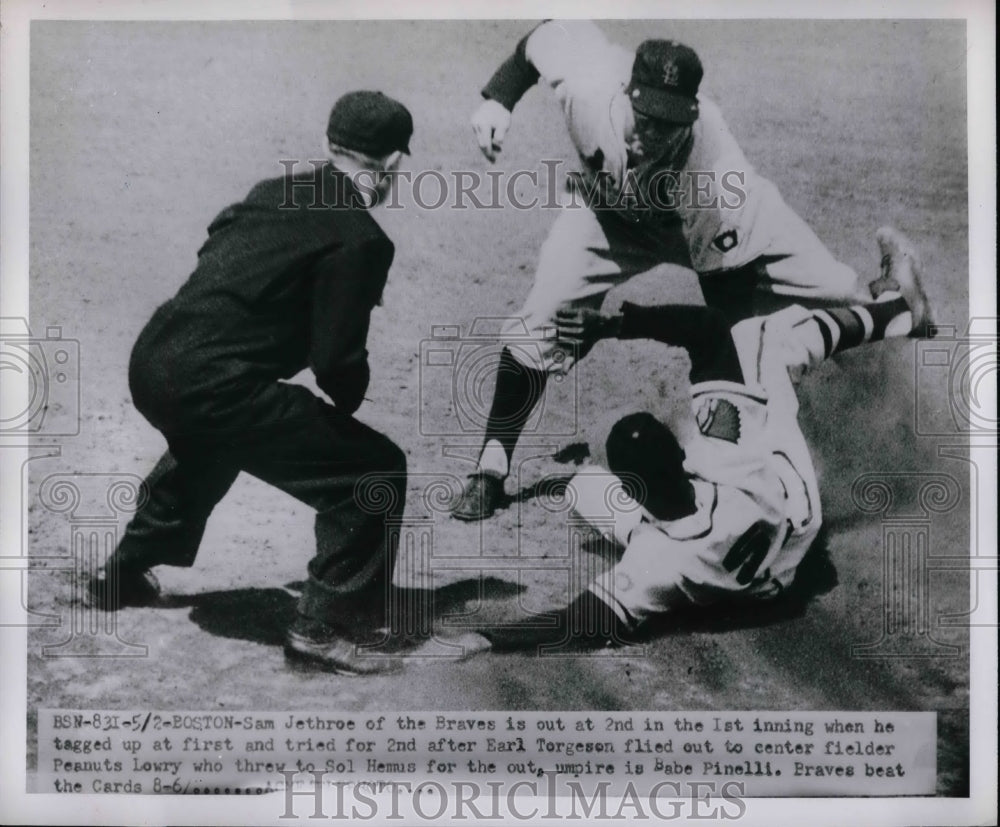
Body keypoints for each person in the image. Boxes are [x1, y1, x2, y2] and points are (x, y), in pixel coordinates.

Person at [451, 20, 892, 521]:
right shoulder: (588, 84)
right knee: (543, 319)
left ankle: (894, 304)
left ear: (693, 114)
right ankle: (490, 466)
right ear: (626, 94)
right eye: (647, 118)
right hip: (607, 215)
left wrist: (725, 400)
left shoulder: (718, 177)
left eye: (671, 123)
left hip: (699, 226)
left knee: (840, 296)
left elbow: (723, 317)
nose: (655, 136)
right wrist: (498, 99)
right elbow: (540, 38)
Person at [478, 226, 932, 650]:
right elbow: (712, 330)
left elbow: (573, 621)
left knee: (582, 487)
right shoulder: (726, 456)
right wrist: (614, 325)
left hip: (760, 582)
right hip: (792, 521)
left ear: (634, 490)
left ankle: (902, 310)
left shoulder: (656, 563)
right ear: (680, 454)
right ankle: (898, 311)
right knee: (760, 338)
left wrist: (488, 637)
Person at [87, 91, 415, 675]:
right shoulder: (361, 238)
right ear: (391, 165)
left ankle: (121, 574)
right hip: (215, 382)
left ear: (327, 145)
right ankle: (326, 626)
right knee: (373, 469)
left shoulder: (274, 191)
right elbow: (336, 359)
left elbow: (217, 248)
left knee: (218, 438)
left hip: (156, 357)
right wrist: (349, 399)